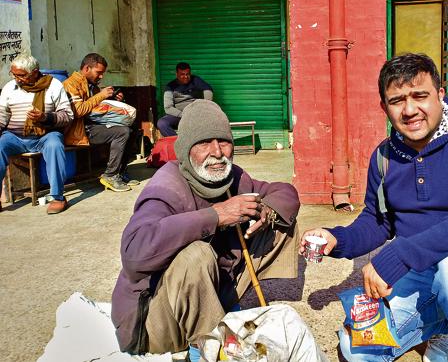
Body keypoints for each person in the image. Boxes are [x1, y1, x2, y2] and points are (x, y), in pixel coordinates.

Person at [299, 53, 448, 361]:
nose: (410, 110)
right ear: (384, 107)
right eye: (397, 100)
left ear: (440, 95)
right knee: (358, 348)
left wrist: (400, 255)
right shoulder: (385, 157)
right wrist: (337, 239)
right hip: (426, 270)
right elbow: (378, 220)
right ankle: (447, 327)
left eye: (420, 96)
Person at [111, 100, 300, 361]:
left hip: (203, 295)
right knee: (196, 255)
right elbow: (134, 255)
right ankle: (212, 348)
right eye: (203, 143)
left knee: (280, 220)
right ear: (186, 149)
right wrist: (216, 216)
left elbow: (284, 192)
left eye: (223, 141)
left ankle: (222, 307)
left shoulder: (233, 178)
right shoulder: (166, 187)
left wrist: (267, 212)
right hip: (156, 323)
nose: (216, 152)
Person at [0, 54, 73, 214]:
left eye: (21, 75)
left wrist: (45, 117)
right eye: (14, 74)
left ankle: (58, 197)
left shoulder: (53, 86)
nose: (17, 79)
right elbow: (2, 115)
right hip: (15, 137)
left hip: (45, 136)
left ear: (34, 72)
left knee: (55, 144)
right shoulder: (9, 87)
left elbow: (67, 116)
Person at [63, 53, 139, 192]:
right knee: (122, 132)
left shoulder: (91, 85)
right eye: (99, 72)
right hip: (81, 131)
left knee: (131, 127)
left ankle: (120, 173)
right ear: (87, 68)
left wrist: (114, 99)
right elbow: (78, 111)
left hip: (94, 125)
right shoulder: (70, 84)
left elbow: (98, 108)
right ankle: (110, 175)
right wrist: (101, 95)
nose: (101, 76)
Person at [157, 62, 214, 137]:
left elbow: (208, 90)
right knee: (162, 123)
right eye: (182, 74)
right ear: (176, 74)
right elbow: (168, 108)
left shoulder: (196, 80)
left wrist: (205, 106)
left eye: (188, 74)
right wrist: (183, 115)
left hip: (195, 114)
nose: (186, 76)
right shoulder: (170, 86)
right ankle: (177, 142)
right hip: (179, 115)